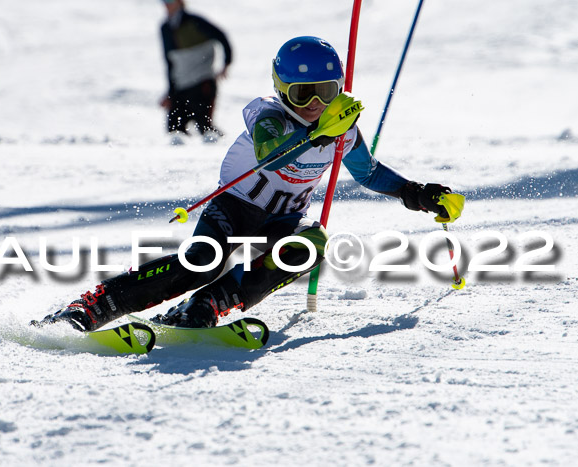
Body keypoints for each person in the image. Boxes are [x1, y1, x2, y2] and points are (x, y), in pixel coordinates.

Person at [33, 36, 461, 332]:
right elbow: (271, 153)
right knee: (201, 262)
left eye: (327, 92)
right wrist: (321, 131)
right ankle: (94, 306)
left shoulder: (342, 127)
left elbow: (367, 173)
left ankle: (205, 306)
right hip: (232, 209)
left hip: (283, 219)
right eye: (303, 94)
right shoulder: (268, 115)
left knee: (311, 244)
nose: (315, 105)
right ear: (282, 90)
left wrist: (418, 194)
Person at [159, 0, 232, 144]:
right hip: (180, 87)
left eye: (170, 1)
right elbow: (170, 64)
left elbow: (221, 36)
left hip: (202, 83)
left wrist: (226, 63)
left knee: (205, 128)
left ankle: (226, 147)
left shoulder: (194, 21)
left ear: (180, 2)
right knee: (174, 130)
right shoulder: (165, 28)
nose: (166, 4)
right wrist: (170, 92)